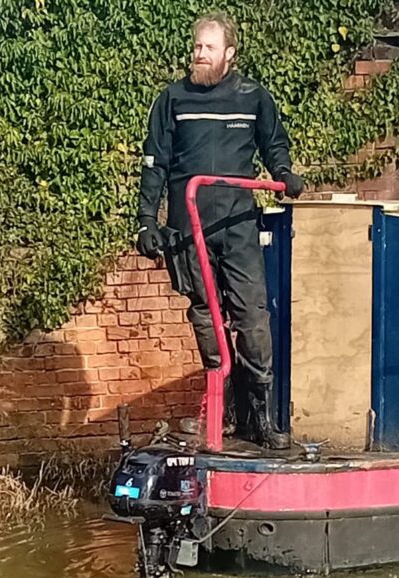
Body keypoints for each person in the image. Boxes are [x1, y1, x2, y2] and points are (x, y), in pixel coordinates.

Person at [134, 12, 303, 450]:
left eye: (208, 48)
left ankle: (260, 417)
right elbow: (155, 163)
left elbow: (274, 145)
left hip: (238, 224)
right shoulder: (172, 100)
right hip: (189, 228)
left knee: (253, 317)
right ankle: (221, 406)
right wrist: (147, 220)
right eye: (196, 47)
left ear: (229, 54)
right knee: (205, 315)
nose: (199, 55)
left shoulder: (253, 98)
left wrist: (284, 172)